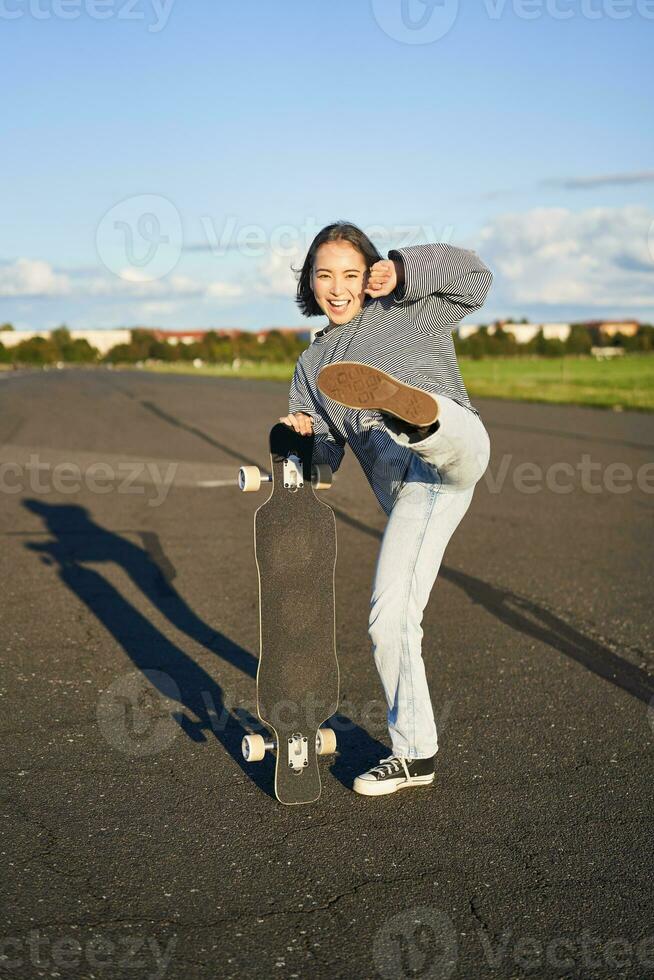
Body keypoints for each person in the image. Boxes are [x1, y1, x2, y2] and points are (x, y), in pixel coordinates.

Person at [279, 221, 493, 797]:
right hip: (414, 499)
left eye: (351, 273)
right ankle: (415, 754)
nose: (338, 286)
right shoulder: (313, 366)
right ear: (310, 283)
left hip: (454, 452)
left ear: (368, 276)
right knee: (387, 619)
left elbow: (476, 278)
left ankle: (419, 416)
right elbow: (323, 463)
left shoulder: (408, 311)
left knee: (454, 435)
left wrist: (403, 263)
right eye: (325, 275)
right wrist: (298, 435)